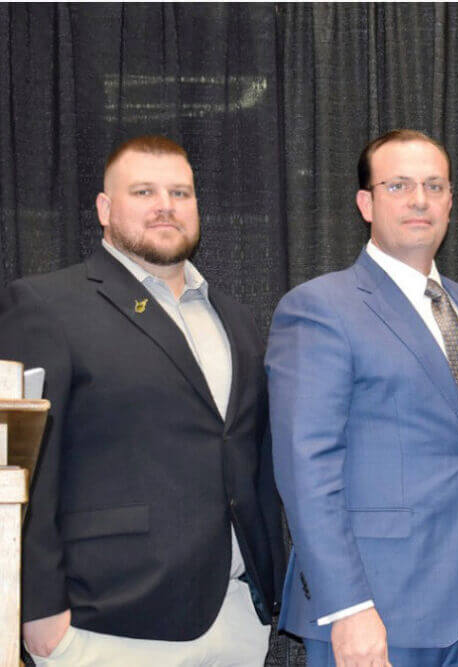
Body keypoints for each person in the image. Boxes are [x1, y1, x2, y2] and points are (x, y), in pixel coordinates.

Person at [0, 135, 284, 665]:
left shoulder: (235, 318)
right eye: (144, 192)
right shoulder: (45, 305)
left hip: (236, 620)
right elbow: (23, 466)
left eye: (180, 193)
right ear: (104, 209)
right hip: (107, 622)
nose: (165, 206)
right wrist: (35, 607)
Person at [266, 129, 458, 667]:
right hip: (371, 608)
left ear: (450, 201)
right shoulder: (319, 308)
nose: (419, 200)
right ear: (365, 204)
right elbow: (305, 467)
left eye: (434, 186)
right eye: (399, 185)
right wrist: (347, 607)